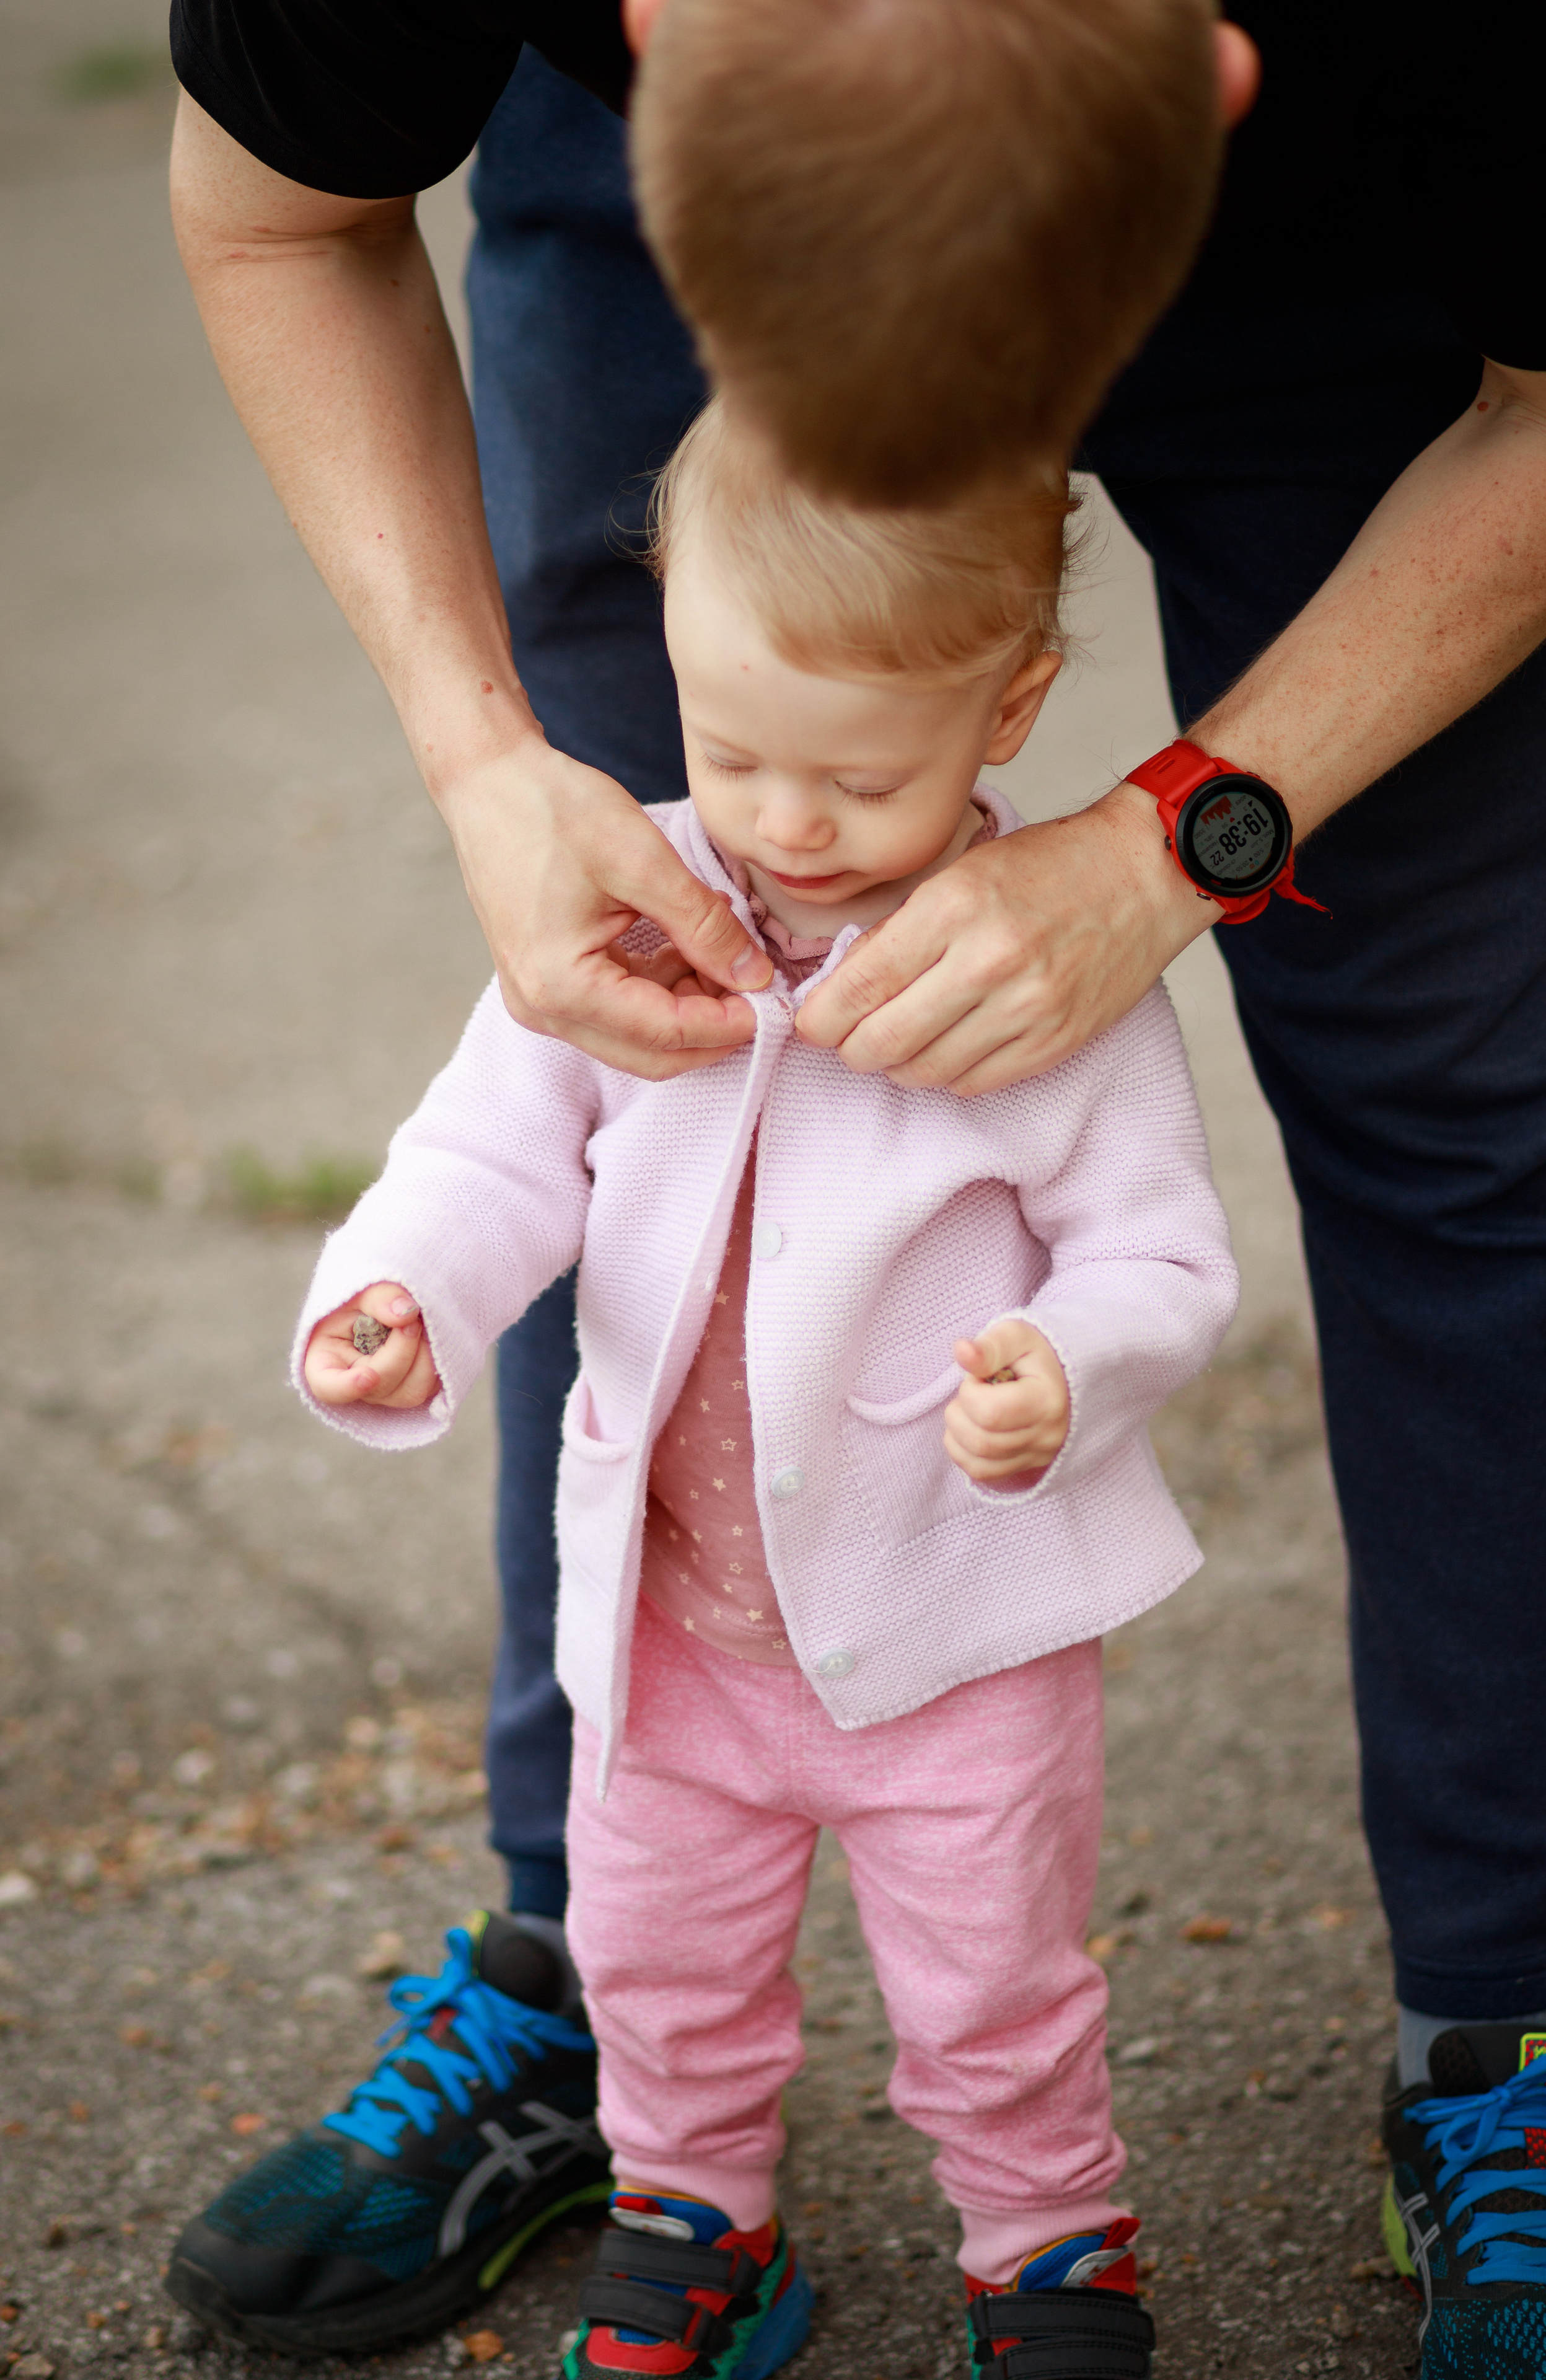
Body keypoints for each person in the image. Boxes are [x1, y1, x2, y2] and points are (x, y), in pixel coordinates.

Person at [164, 0, 1546, 2371]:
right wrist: (484, 756)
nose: (779, 829)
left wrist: (1174, 847)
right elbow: (273, 216)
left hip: (1380, 305)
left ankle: (1509, 2040)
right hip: (664, 223)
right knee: (626, 1001)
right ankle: (577, 1994)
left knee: (1460, 1090)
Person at [202, 402, 1237, 2380]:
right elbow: (493, 1150)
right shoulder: (629, 900)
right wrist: (400, 1288)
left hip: (958, 1641)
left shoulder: (1044, 979)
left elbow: (1165, 1258)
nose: (782, 821)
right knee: (661, 1970)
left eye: (858, 773)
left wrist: (1068, 1367)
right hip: (675, 1632)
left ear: (1011, 708)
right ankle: (700, 2221)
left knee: (996, 1986)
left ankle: (1048, 2256)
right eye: (730, 746)